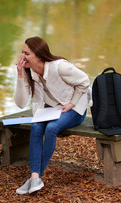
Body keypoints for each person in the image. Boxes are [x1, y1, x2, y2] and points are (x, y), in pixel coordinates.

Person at [14, 36, 91, 194]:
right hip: (53, 109)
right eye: (22, 53)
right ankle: (35, 177)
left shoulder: (60, 67)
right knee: (36, 126)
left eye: (26, 53)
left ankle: (34, 178)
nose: (22, 57)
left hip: (76, 108)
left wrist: (73, 102)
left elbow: (84, 80)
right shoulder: (30, 73)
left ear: (39, 56)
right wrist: (20, 76)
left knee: (51, 128)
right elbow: (21, 103)